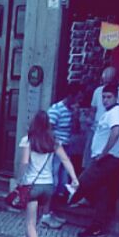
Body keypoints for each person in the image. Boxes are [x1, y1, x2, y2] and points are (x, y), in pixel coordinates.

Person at [12, 110, 79, 237]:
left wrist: (19, 181)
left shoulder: (28, 141)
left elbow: (24, 163)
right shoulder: (53, 142)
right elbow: (65, 160)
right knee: (35, 221)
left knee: (30, 223)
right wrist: (74, 178)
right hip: (48, 187)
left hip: (32, 186)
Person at [68, 84, 119, 237]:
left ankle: (73, 197)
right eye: (103, 97)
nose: (105, 100)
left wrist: (104, 153)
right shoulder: (108, 113)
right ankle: (97, 225)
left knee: (84, 181)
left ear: (116, 97)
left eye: (109, 97)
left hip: (108, 159)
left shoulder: (115, 113)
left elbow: (115, 132)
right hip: (104, 157)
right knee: (102, 193)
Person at [41, 82, 82, 228]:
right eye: (77, 97)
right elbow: (47, 130)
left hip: (66, 149)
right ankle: (45, 215)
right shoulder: (56, 110)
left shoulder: (70, 110)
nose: (79, 101)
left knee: (60, 183)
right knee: (53, 180)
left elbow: (75, 130)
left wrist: (76, 116)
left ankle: (50, 212)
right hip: (56, 150)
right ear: (70, 96)